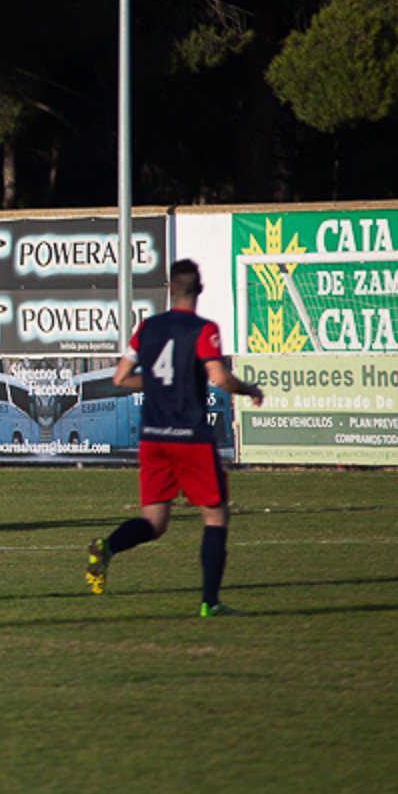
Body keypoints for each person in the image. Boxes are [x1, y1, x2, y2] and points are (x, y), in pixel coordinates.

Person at [87, 259, 265, 617]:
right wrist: (247, 389)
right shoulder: (203, 329)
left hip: (153, 436)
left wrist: (154, 387)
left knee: (154, 522)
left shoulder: (147, 328)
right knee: (215, 517)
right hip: (191, 437)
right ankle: (210, 603)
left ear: (169, 289)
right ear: (198, 290)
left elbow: (120, 378)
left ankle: (106, 548)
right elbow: (219, 377)